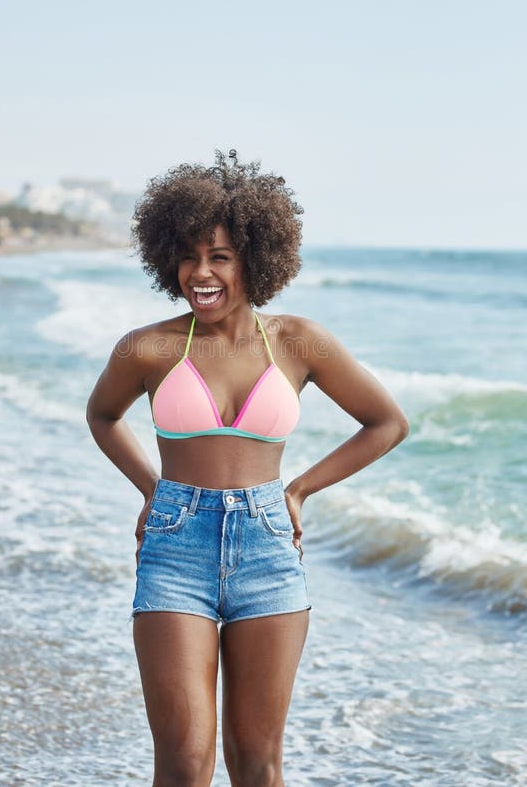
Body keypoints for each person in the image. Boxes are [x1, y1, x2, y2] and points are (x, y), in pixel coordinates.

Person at [86, 149, 409, 786]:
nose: (200, 273)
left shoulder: (298, 342)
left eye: (220, 257)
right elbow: (102, 415)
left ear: (255, 260)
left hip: (267, 547)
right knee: (183, 763)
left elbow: (386, 423)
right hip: (176, 549)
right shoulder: (148, 347)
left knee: (258, 765)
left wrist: (300, 491)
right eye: (187, 256)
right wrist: (153, 490)